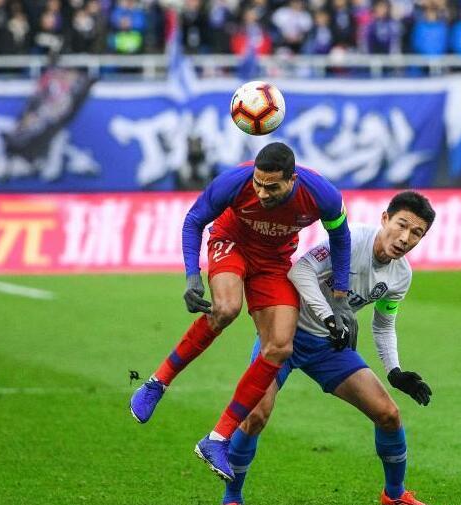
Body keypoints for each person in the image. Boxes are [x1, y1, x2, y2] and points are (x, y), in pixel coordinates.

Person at [130, 142, 352, 481]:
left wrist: (340, 294)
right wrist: (192, 276)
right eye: (258, 184)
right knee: (226, 308)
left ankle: (216, 439)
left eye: (272, 187)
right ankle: (157, 383)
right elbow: (194, 220)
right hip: (231, 244)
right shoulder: (235, 181)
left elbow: (341, 237)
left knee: (280, 346)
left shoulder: (323, 195)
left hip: (274, 262)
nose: (262, 193)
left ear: (292, 180)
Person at [218, 191, 438, 505]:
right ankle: (231, 501)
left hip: (327, 346)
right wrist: (329, 315)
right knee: (255, 417)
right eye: (401, 225)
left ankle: (395, 494)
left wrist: (395, 371)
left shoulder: (401, 276)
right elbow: (301, 271)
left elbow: (383, 324)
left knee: (389, 414)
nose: (405, 238)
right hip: (283, 334)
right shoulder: (350, 241)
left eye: (416, 233)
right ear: (385, 219)